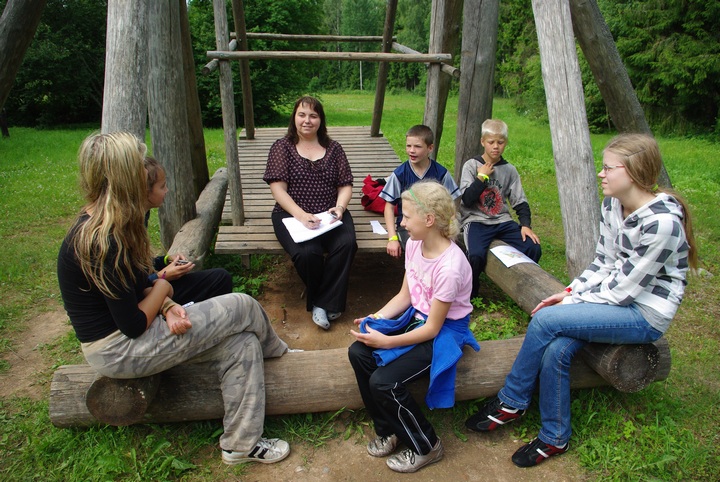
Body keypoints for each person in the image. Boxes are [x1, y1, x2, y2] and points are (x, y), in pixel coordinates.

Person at [57, 132, 291, 466]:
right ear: (122, 176)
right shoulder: (102, 240)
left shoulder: (119, 222)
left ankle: (240, 445)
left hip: (132, 334)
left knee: (241, 343)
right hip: (118, 350)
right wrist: (164, 289)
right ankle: (280, 355)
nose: (146, 169)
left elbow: (139, 283)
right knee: (242, 305)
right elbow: (133, 324)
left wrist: (166, 305)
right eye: (138, 165)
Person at [465, 133, 697, 468]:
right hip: (616, 301)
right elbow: (603, 262)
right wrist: (570, 292)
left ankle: (511, 400)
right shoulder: (612, 205)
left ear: (633, 172)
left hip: (644, 314)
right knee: (557, 350)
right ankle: (555, 437)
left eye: (608, 168)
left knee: (546, 320)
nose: (601, 173)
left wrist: (568, 305)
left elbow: (622, 291)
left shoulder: (661, 224)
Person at [348, 181, 479, 473]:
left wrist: (387, 342)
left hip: (445, 331)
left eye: (406, 216)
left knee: (384, 382)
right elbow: (405, 296)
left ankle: (426, 446)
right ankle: (390, 430)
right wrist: (376, 318)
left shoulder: (450, 267)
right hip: (417, 318)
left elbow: (433, 329)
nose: (402, 223)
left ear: (429, 219)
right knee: (358, 352)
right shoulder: (415, 244)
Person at [263, 96, 357, 330]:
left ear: (320, 120)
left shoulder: (334, 148)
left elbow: (345, 184)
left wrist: (340, 207)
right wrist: (301, 215)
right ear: (294, 118)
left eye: (313, 116)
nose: (307, 120)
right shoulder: (282, 147)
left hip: (330, 213)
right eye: (302, 115)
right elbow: (278, 189)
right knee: (308, 253)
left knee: (346, 244)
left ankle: (321, 302)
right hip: (290, 214)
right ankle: (325, 300)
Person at [459, 119, 541, 298]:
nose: (496, 146)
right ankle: (469, 295)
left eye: (500, 142)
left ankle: (521, 287)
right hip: (476, 220)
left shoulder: (509, 170)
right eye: (491, 142)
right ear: (483, 142)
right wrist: (482, 177)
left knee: (533, 247)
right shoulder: (471, 165)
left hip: (502, 220)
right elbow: (467, 199)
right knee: (475, 256)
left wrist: (525, 225)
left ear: (505, 143)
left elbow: (519, 201)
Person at [143, 156, 233, 306]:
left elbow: (141, 266)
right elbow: (132, 288)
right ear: (145, 192)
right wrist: (163, 276)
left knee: (221, 278)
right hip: (144, 298)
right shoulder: (122, 230)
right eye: (162, 186)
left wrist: (165, 260)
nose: (167, 190)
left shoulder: (143, 215)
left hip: (154, 285)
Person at [379, 125, 460, 259]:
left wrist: (449, 231)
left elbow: (451, 205)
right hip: (408, 226)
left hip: (435, 225)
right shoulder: (399, 174)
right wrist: (392, 238)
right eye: (408, 146)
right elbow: (389, 206)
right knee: (418, 250)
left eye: (417, 146)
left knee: (445, 249)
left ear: (430, 148)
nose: (411, 150)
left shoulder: (441, 174)